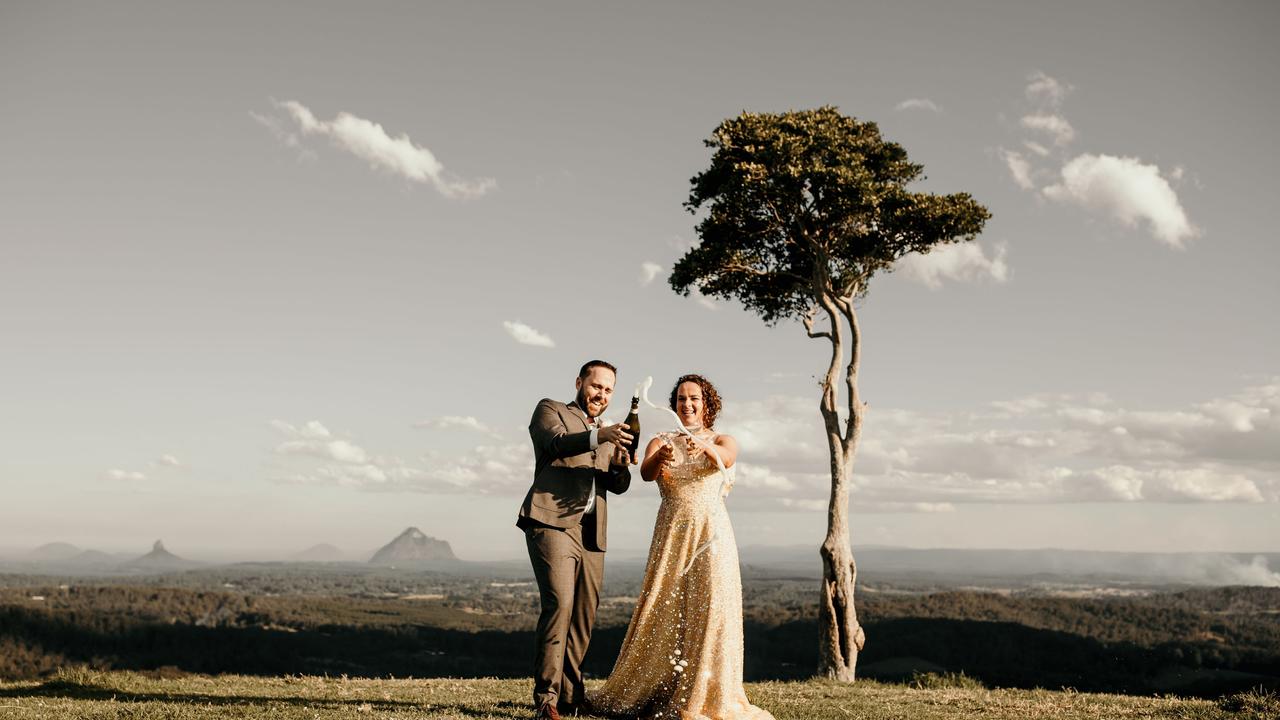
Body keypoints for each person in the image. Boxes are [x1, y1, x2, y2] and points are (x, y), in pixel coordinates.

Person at [586, 374, 775, 720]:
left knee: (712, 606)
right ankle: (658, 686)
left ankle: (704, 692)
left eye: (694, 399)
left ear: (707, 404)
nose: (687, 405)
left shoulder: (722, 438)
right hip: (672, 532)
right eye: (681, 399)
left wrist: (703, 447)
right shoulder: (661, 439)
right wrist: (663, 457)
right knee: (664, 602)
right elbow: (644, 472)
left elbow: (727, 458)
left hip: (711, 536)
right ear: (673, 404)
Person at [517, 360, 635, 720]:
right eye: (596, 386)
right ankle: (547, 701)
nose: (601, 394)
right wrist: (602, 436)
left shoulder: (609, 431)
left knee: (584, 614)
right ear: (580, 382)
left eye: (608, 390)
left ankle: (572, 698)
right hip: (551, 523)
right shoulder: (550, 409)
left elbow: (618, 486)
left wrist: (618, 465)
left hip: (591, 532)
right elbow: (555, 444)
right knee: (561, 605)